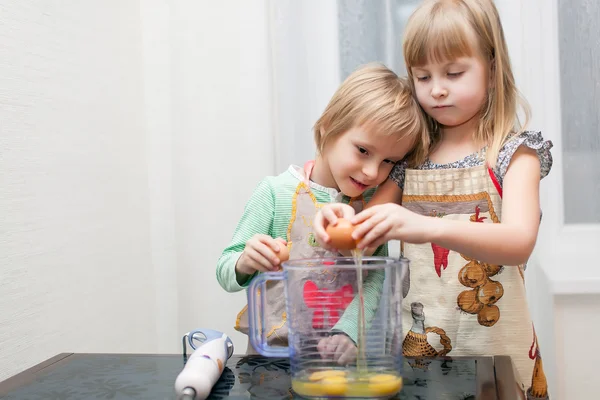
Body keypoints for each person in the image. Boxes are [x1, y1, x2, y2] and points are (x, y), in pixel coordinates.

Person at [314, 0, 553, 397]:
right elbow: (362, 233)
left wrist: (425, 226)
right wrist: (337, 219)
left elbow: (518, 242)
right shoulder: (411, 160)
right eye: (422, 77)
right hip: (420, 360)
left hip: (497, 361)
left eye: (454, 73)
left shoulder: (515, 154)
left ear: (492, 71)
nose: (437, 89)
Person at [216, 63, 428, 358]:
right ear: (329, 127)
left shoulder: (372, 207)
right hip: (269, 362)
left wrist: (349, 331)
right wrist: (244, 262)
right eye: (363, 151)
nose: (371, 171)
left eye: (389, 161)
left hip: (340, 359)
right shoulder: (274, 193)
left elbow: (375, 277)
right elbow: (225, 271)